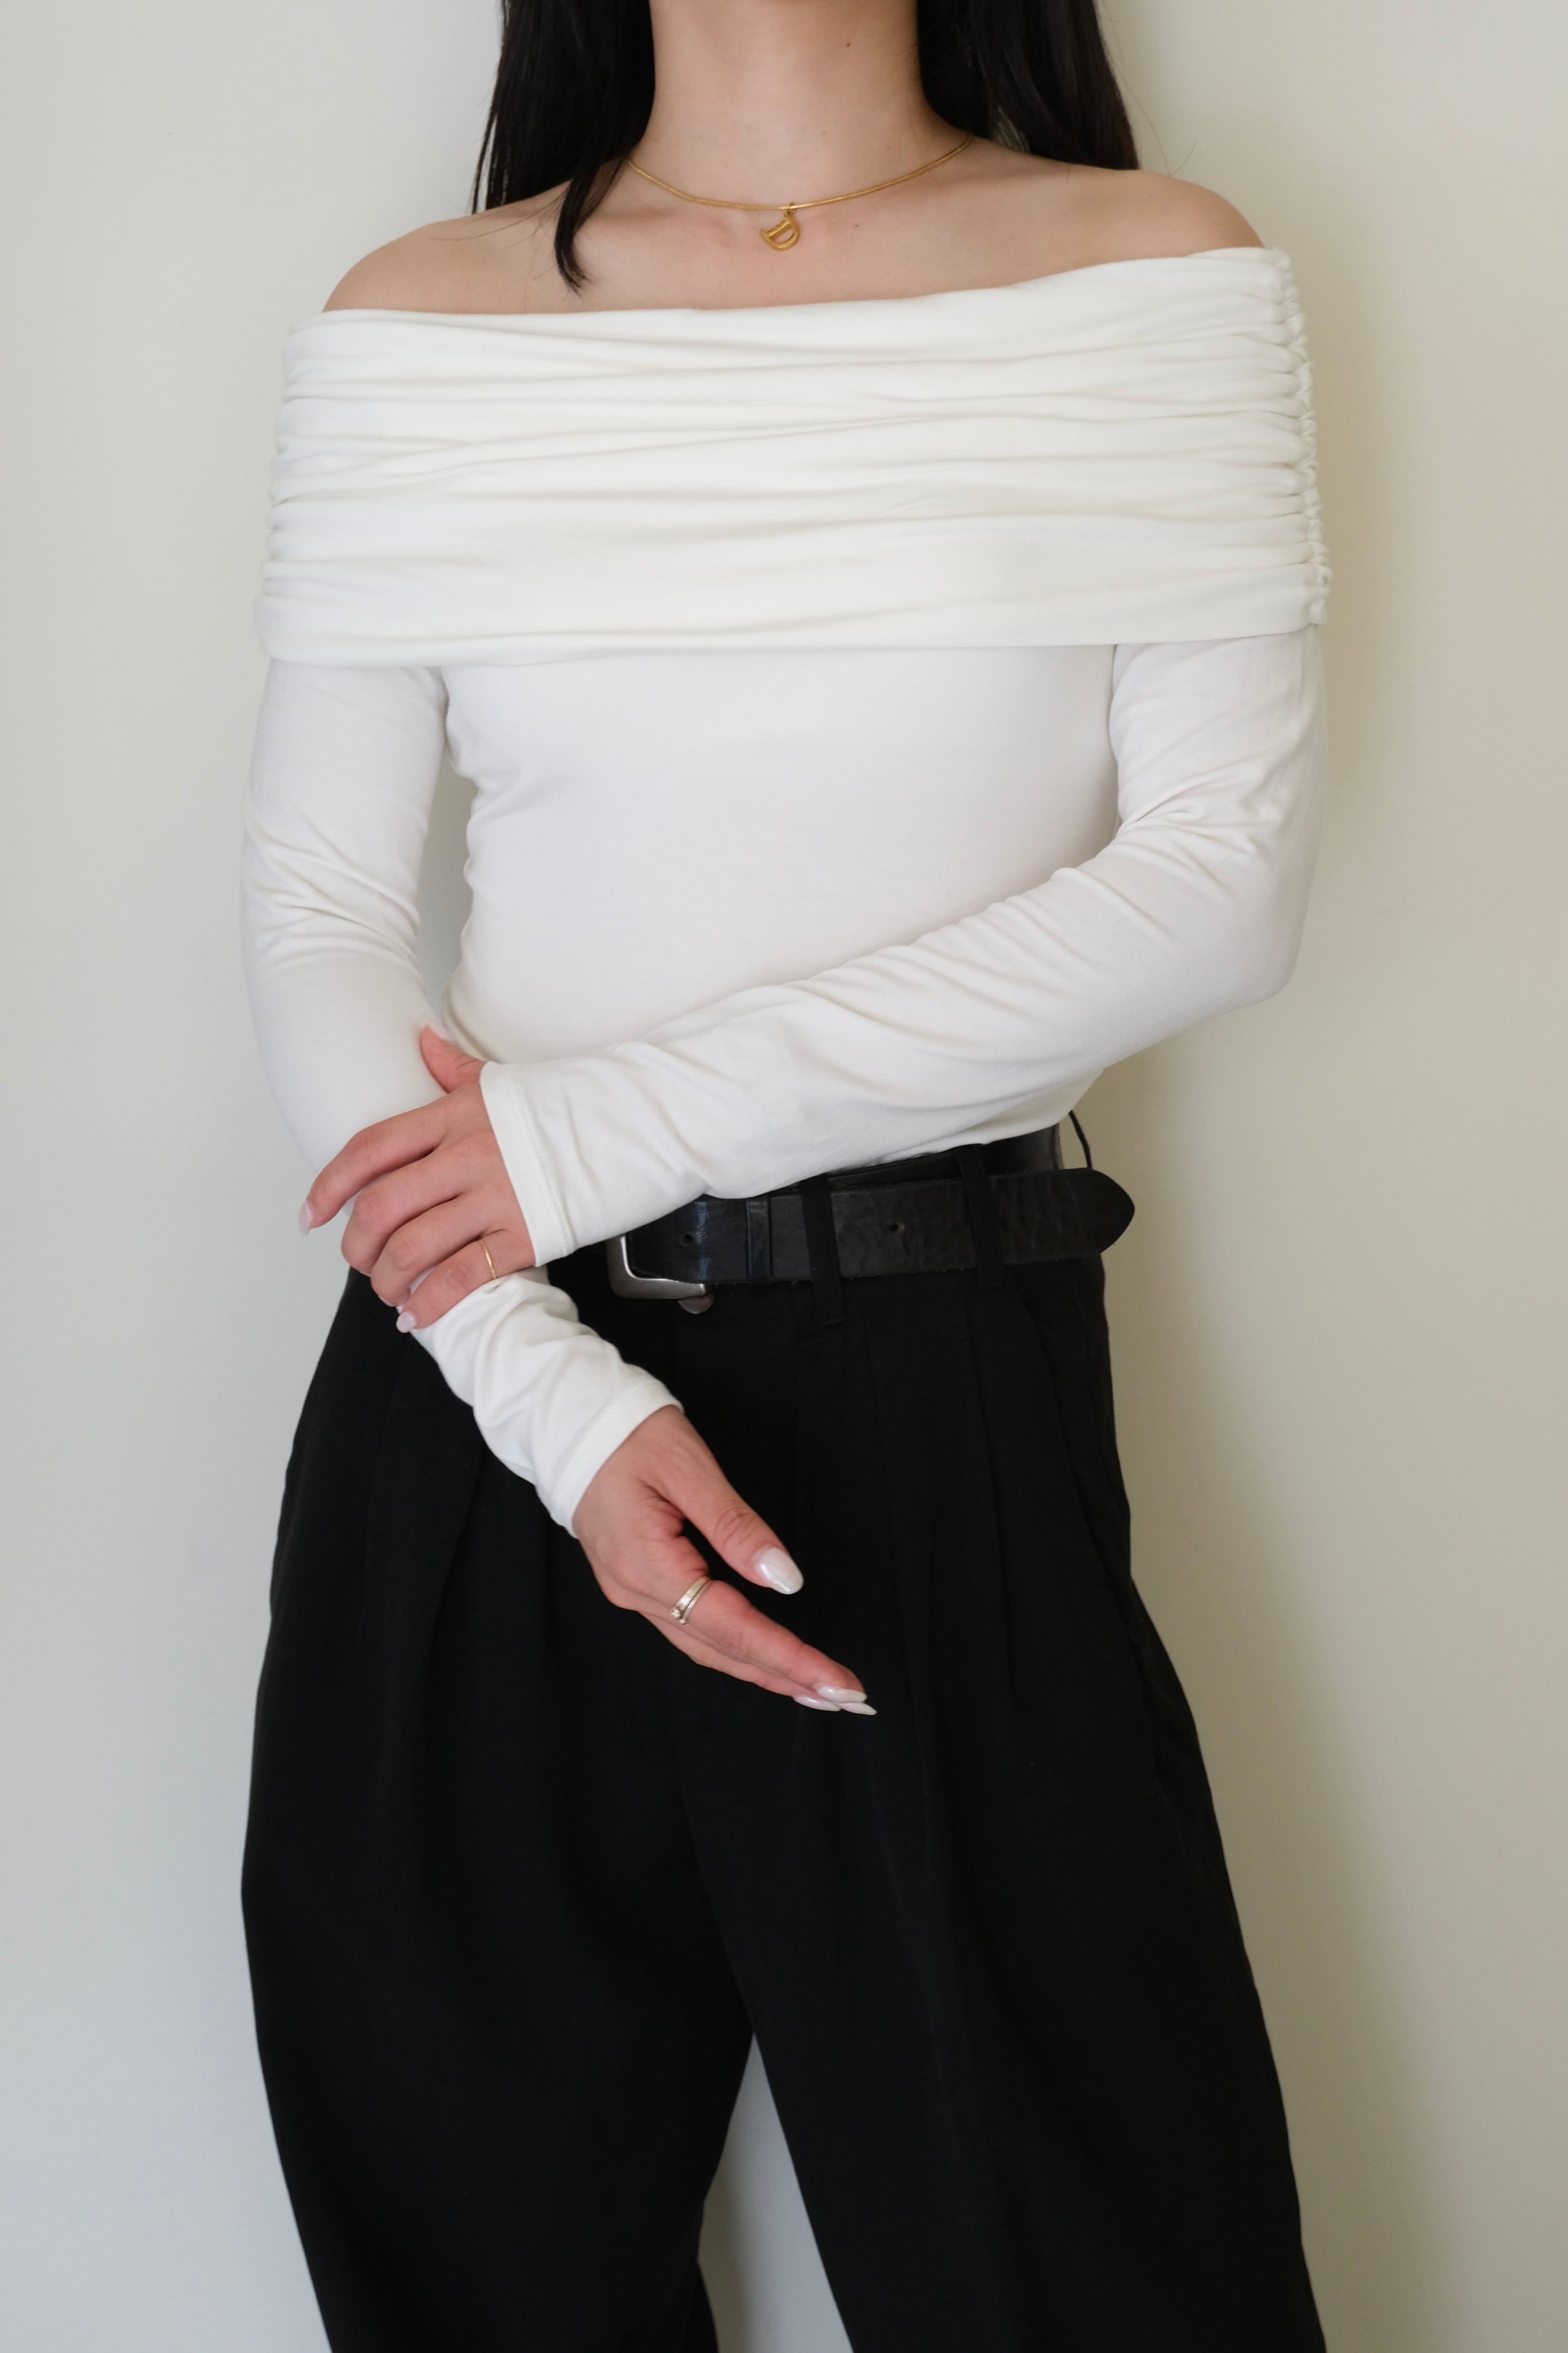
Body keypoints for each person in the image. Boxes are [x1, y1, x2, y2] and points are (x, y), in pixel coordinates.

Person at [239, 0, 1331, 2344]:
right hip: (478, 1392)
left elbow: (1215, 888)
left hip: (935, 1380)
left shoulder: (1147, 270)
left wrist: (589, 1131)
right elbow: (321, 912)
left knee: (1094, 2269)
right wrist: (555, 1399)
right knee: (481, 2277)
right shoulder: (421, 316)